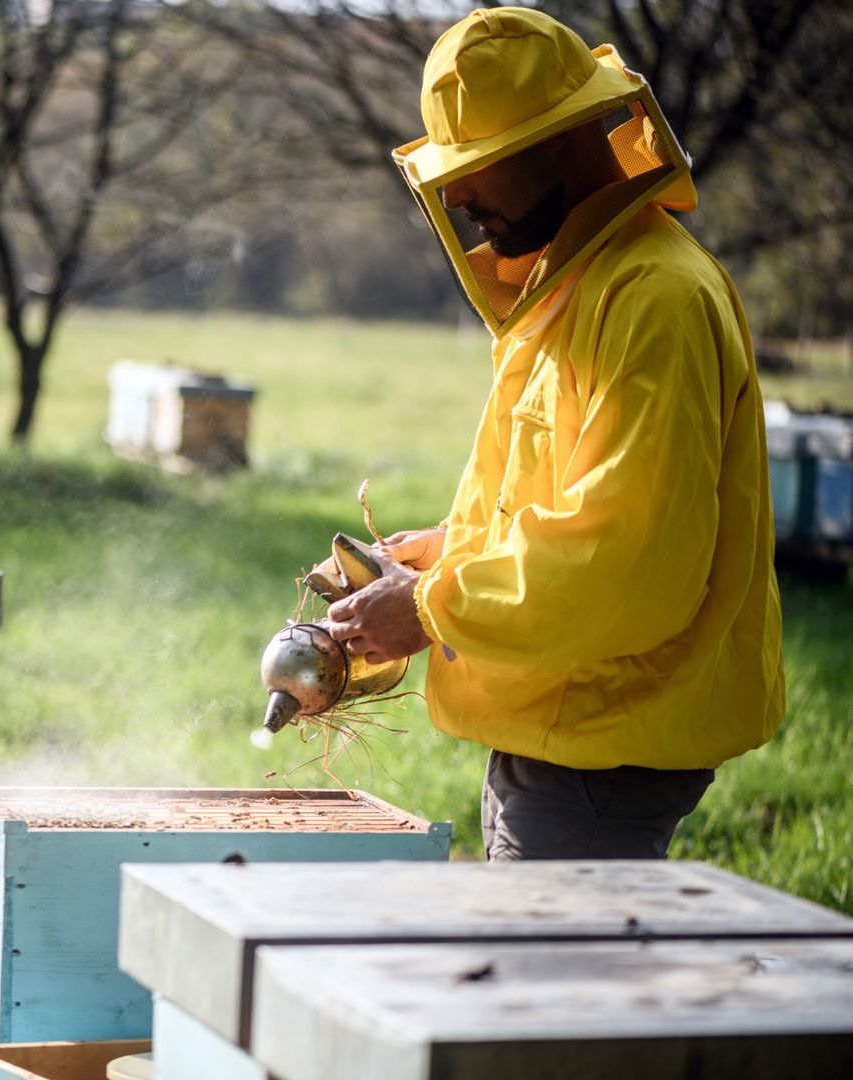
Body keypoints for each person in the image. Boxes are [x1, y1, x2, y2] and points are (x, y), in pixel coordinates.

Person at [322, 7, 783, 861]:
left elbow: (627, 556)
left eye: (481, 170)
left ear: (564, 143)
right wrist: (446, 553)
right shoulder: (579, 284)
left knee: (557, 987)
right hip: (569, 722)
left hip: (607, 735)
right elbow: (563, 500)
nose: (458, 197)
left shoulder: (654, 300)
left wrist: (428, 610)